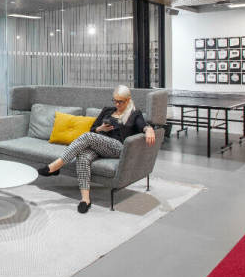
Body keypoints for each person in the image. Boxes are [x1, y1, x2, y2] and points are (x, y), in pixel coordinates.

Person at [37, 85, 156, 214]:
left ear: (128, 100)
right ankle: (85, 199)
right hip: (99, 145)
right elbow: (93, 129)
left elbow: (143, 125)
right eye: (115, 100)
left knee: (87, 136)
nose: (116, 104)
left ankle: (56, 166)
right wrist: (101, 129)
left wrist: (148, 129)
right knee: (83, 156)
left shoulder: (135, 113)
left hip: (118, 147)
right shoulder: (107, 110)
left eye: (120, 102)